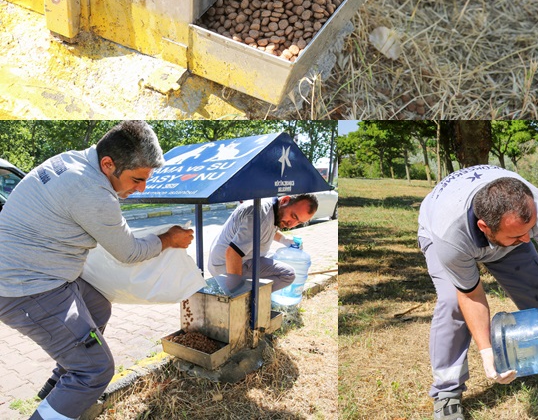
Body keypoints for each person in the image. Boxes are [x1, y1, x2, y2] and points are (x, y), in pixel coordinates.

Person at [0, 121, 195, 420]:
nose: (141, 188)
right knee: (95, 369)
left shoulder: (71, 160)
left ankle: (58, 391)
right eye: (137, 179)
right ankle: (70, 390)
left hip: (35, 272)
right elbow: (128, 252)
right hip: (25, 288)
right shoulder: (93, 191)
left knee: (98, 307)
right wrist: (169, 239)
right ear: (108, 164)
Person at [418, 166, 538, 420]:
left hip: (503, 227)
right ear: (484, 227)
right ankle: (447, 392)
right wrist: (487, 352)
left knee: (536, 289)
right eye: (519, 235)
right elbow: (471, 295)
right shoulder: (451, 237)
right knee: (452, 303)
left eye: (530, 230)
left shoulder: (537, 209)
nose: (529, 239)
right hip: (440, 229)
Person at [207, 194, 318, 292]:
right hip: (227, 266)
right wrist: (235, 290)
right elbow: (232, 254)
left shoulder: (272, 208)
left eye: (299, 222)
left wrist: (285, 240)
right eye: (293, 216)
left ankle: (252, 291)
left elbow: (267, 230)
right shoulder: (259, 215)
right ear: (285, 201)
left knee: (278, 257)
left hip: (229, 259)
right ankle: (252, 301)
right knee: (288, 274)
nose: (291, 224)